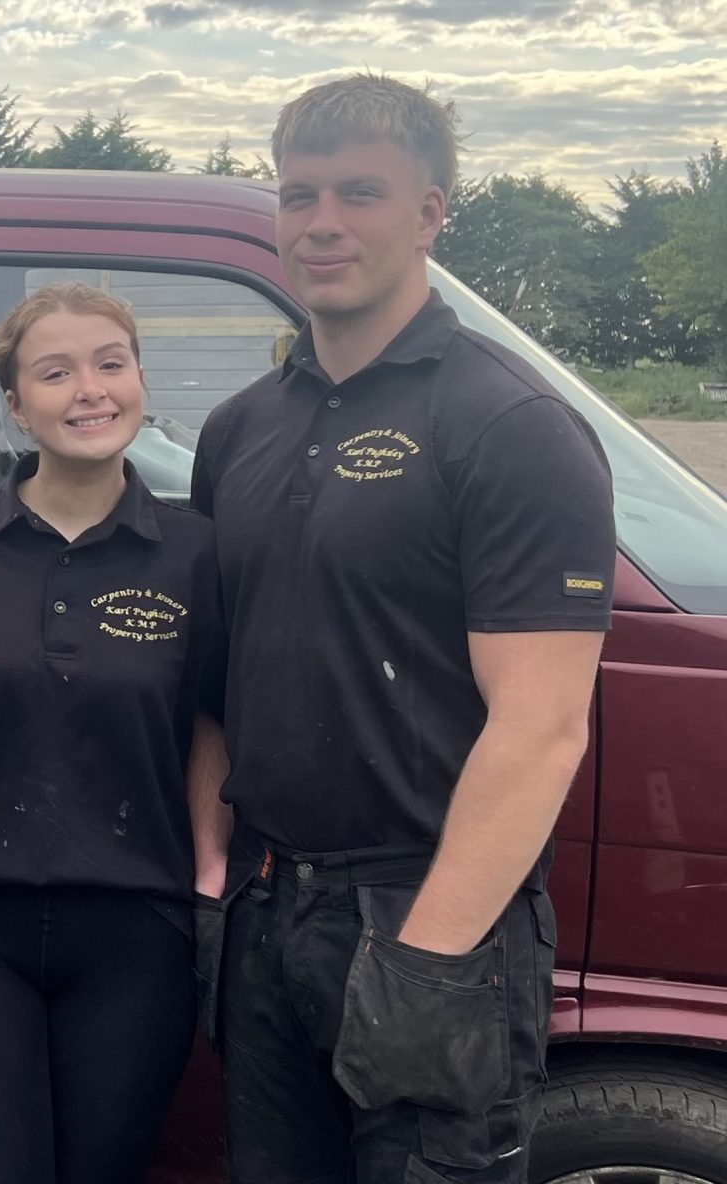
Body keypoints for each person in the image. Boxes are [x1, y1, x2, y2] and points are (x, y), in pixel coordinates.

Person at [188, 75, 617, 1183]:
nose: (320, 223)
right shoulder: (240, 430)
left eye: (358, 193)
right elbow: (218, 690)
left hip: (427, 913)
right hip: (267, 913)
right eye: (297, 196)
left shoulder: (508, 424)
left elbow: (542, 726)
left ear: (429, 211)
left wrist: (426, 957)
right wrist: (213, 888)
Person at [0, 283, 227, 1184]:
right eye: (56, 373)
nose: (89, 390)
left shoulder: (194, 553)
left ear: (138, 381)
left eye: (109, 364)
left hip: (136, 931)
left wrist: (206, 871)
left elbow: (211, 715)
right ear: (16, 406)